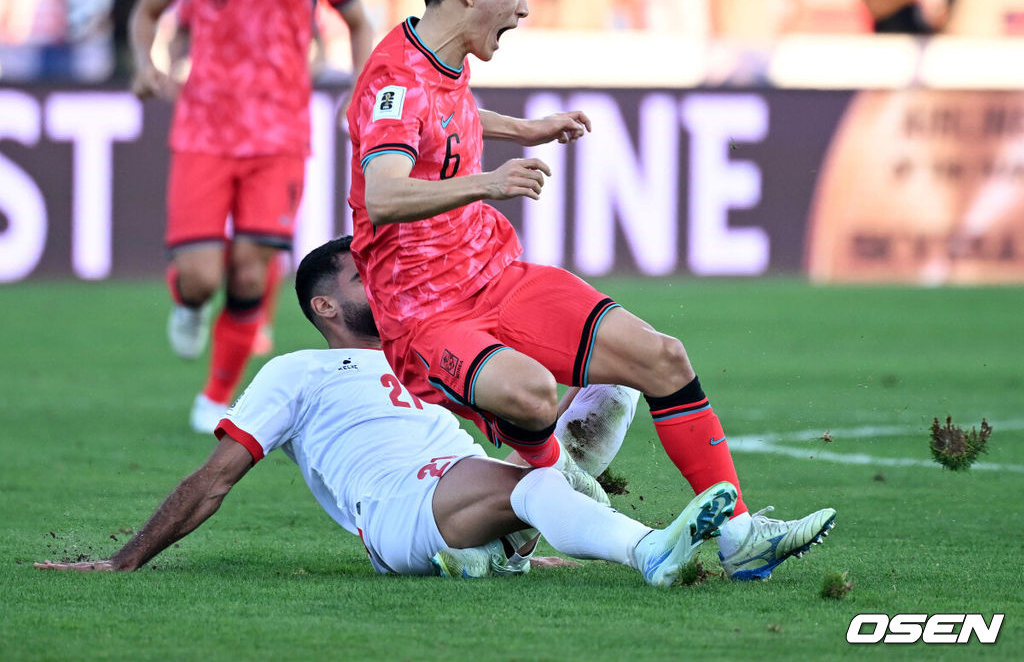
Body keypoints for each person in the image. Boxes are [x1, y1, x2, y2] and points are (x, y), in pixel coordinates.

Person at [346, 0, 836, 582]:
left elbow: (444, 114)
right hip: (429, 318)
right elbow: (384, 193)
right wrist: (490, 182)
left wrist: (526, 128)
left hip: (497, 277)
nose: (523, 8)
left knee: (661, 356)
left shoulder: (439, 60)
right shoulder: (394, 77)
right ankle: (542, 512)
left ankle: (741, 535)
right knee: (532, 396)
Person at [34, 237, 737, 586]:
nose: (380, 276)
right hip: (398, 507)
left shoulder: (425, 346)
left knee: (621, 376)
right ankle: (646, 548)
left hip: (468, 473)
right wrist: (122, 563)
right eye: (359, 275)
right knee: (525, 486)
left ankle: (499, 544)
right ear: (325, 307)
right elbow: (214, 479)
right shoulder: (296, 372)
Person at [129, 0, 374, 434]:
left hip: (280, 131)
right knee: (202, 276)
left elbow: (356, 20)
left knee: (251, 266)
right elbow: (147, 11)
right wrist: (144, 62)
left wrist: (361, 84)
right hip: (204, 127)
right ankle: (186, 302)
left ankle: (216, 394)